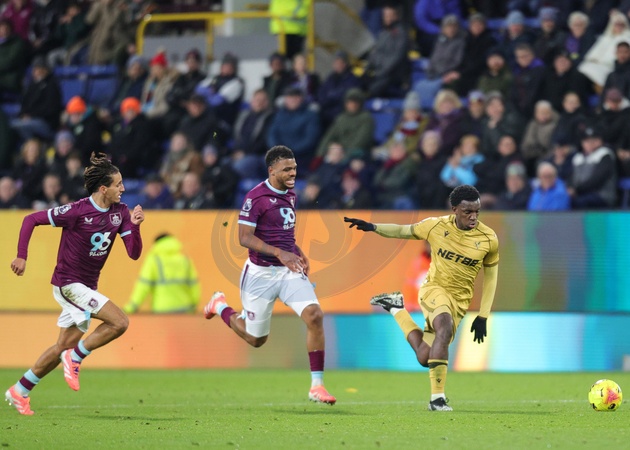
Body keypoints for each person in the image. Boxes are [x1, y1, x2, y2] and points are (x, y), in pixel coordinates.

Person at [5, 152, 144, 416]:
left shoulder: (121, 213)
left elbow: (134, 253)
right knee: (119, 322)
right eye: (118, 184)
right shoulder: (77, 211)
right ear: (103, 189)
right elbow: (30, 220)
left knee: (62, 347)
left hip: (86, 287)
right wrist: (22, 256)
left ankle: (20, 390)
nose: (123, 189)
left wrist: (135, 227)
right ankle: (77, 356)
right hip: (68, 284)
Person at [344, 184, 499, 411]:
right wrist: (374, 227)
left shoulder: (489, 239)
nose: (473, 217)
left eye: (477, 211)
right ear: (454, 209)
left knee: (425, 357)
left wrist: (483, 316)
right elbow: (403, 230)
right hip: (434, 289)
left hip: (459, 301)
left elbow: (491, 278)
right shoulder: (435, 226)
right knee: (444, 327)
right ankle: (437, 399)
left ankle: (396, 308)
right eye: (468, 212)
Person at [203, 145, 336, 405]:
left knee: (315, 315)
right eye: (287, 169)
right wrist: (279, 252)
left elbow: (282, 232)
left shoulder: (291, 194)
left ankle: (317, 386)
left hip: (288, 271)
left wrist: (295, 251)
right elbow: (244, 238)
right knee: (256, 339)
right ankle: (220, 306)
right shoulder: (256, 197)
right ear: (272, 170)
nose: (293, 173)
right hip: (259, 274)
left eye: (294, 168)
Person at [124, 233, 200, 314]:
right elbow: (194, 285)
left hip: (162, 310)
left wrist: (132, 307)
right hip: (185, 308)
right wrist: (194, 304)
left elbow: (143, 286)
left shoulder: (154, 260)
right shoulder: (185, 260)